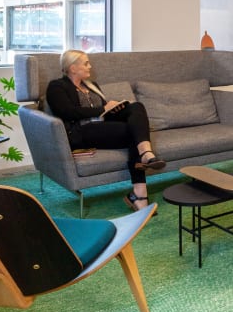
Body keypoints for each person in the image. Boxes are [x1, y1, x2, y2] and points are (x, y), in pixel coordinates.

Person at [47, 49, 166, 211]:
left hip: (103, 126)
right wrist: (103, 108)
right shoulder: (57, 86)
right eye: (86, 63)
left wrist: (115, 108)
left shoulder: (92, 86)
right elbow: (67, 112)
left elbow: (103, 113)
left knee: (136, 106)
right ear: (73, 68)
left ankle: (145, 155)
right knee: (134, 132)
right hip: (81, 132)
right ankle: (139, 194)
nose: (90, 66)